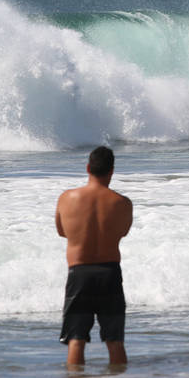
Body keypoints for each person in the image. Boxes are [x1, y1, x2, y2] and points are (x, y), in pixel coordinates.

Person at [55, 145, 133, 366]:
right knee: (115, 341)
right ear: (112, 171)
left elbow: (62, 231)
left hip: (79, 273)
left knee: (76, 340)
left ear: (88, 167)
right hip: (110, 274)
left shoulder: (66, 198)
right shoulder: (123, 203)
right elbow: (123, 232)